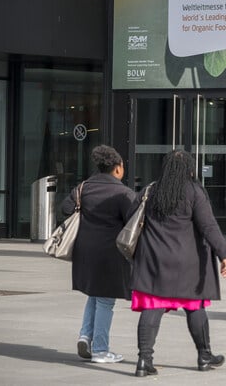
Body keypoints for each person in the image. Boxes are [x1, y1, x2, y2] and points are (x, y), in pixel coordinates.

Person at [130, 149, 226, 377]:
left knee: (152, 306)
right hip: (188, 262)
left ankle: (143, 361)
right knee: (194, 306)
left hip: (154, 260)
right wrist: (223, 254)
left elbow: (131, 214)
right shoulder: (194, 191)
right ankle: (204, 356)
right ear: (190, 169)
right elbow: (208, 226)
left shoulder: (151, 191)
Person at [61, 145, 135, 363]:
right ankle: (101, 350)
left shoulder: (84, 187)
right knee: (105, 300)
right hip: (109, 253)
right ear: (118, 168)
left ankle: (85, 335)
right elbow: (133, 220)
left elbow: (65, 208)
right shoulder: (122, 192)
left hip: (84, 250)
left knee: (95, 294)